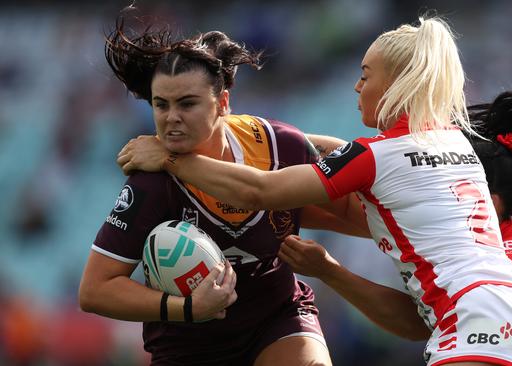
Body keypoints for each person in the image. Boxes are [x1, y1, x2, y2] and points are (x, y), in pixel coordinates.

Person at [117, 17, 512, 365]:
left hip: (478, 319)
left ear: (396, 85)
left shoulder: (379, 156)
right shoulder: (455, 144)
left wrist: (172, 158)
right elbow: (340, 154)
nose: (356, 86)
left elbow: (259, 190)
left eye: (365, 74)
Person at [278, 91, 512, 366]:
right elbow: (360, 169)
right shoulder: (461, 237)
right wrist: (276, 143)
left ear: (489, 198)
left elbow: (418, 325)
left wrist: (330, 271)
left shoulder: (510, 265)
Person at [78, 14, 365, 366]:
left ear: (224, 103)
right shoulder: (149, 184)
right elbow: (94, 290)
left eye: (187, 103)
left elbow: (355, 207)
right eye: (160, 104)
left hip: (277, 321)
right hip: (187, 344)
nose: (171, 118)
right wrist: (185, 308)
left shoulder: (280, 148)